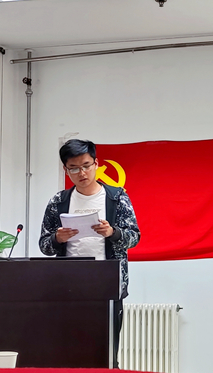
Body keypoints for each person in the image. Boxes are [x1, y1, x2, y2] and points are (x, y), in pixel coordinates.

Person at [39, 138, 140, 368]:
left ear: (96, 163)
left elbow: (134, 237)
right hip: (67, 285)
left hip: (107, 284)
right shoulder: (58, 202)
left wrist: (113, 233)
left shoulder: (116, 197)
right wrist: (57, 238)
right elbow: (44, 245)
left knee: (106, 350)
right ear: (66, 170)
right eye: (74, 168)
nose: (81, 173)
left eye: (86, 165)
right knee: (68, 349)